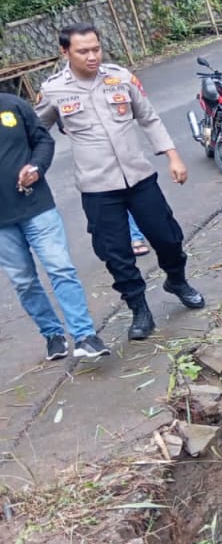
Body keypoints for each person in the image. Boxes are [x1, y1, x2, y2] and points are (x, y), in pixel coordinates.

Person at [35, 23, 205, 342]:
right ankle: (139, 309)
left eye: (96, 49)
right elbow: (36, 131)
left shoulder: (120, 77)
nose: (92, 56)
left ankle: (177, 280)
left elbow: (149, 117)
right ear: (64, 52)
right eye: (83, 51)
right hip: (98, 189)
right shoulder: (54, 90)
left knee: (167, 236)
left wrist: (173, 156)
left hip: (139, 178)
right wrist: (30, 164)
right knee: (116, 255)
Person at [0, 92, 110, 361]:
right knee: (23, 281)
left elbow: (43, 141)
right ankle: (52, 334)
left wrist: (36, 167)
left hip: (36, 205)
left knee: (60, 268)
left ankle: (84, 335)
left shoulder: (13, 105)